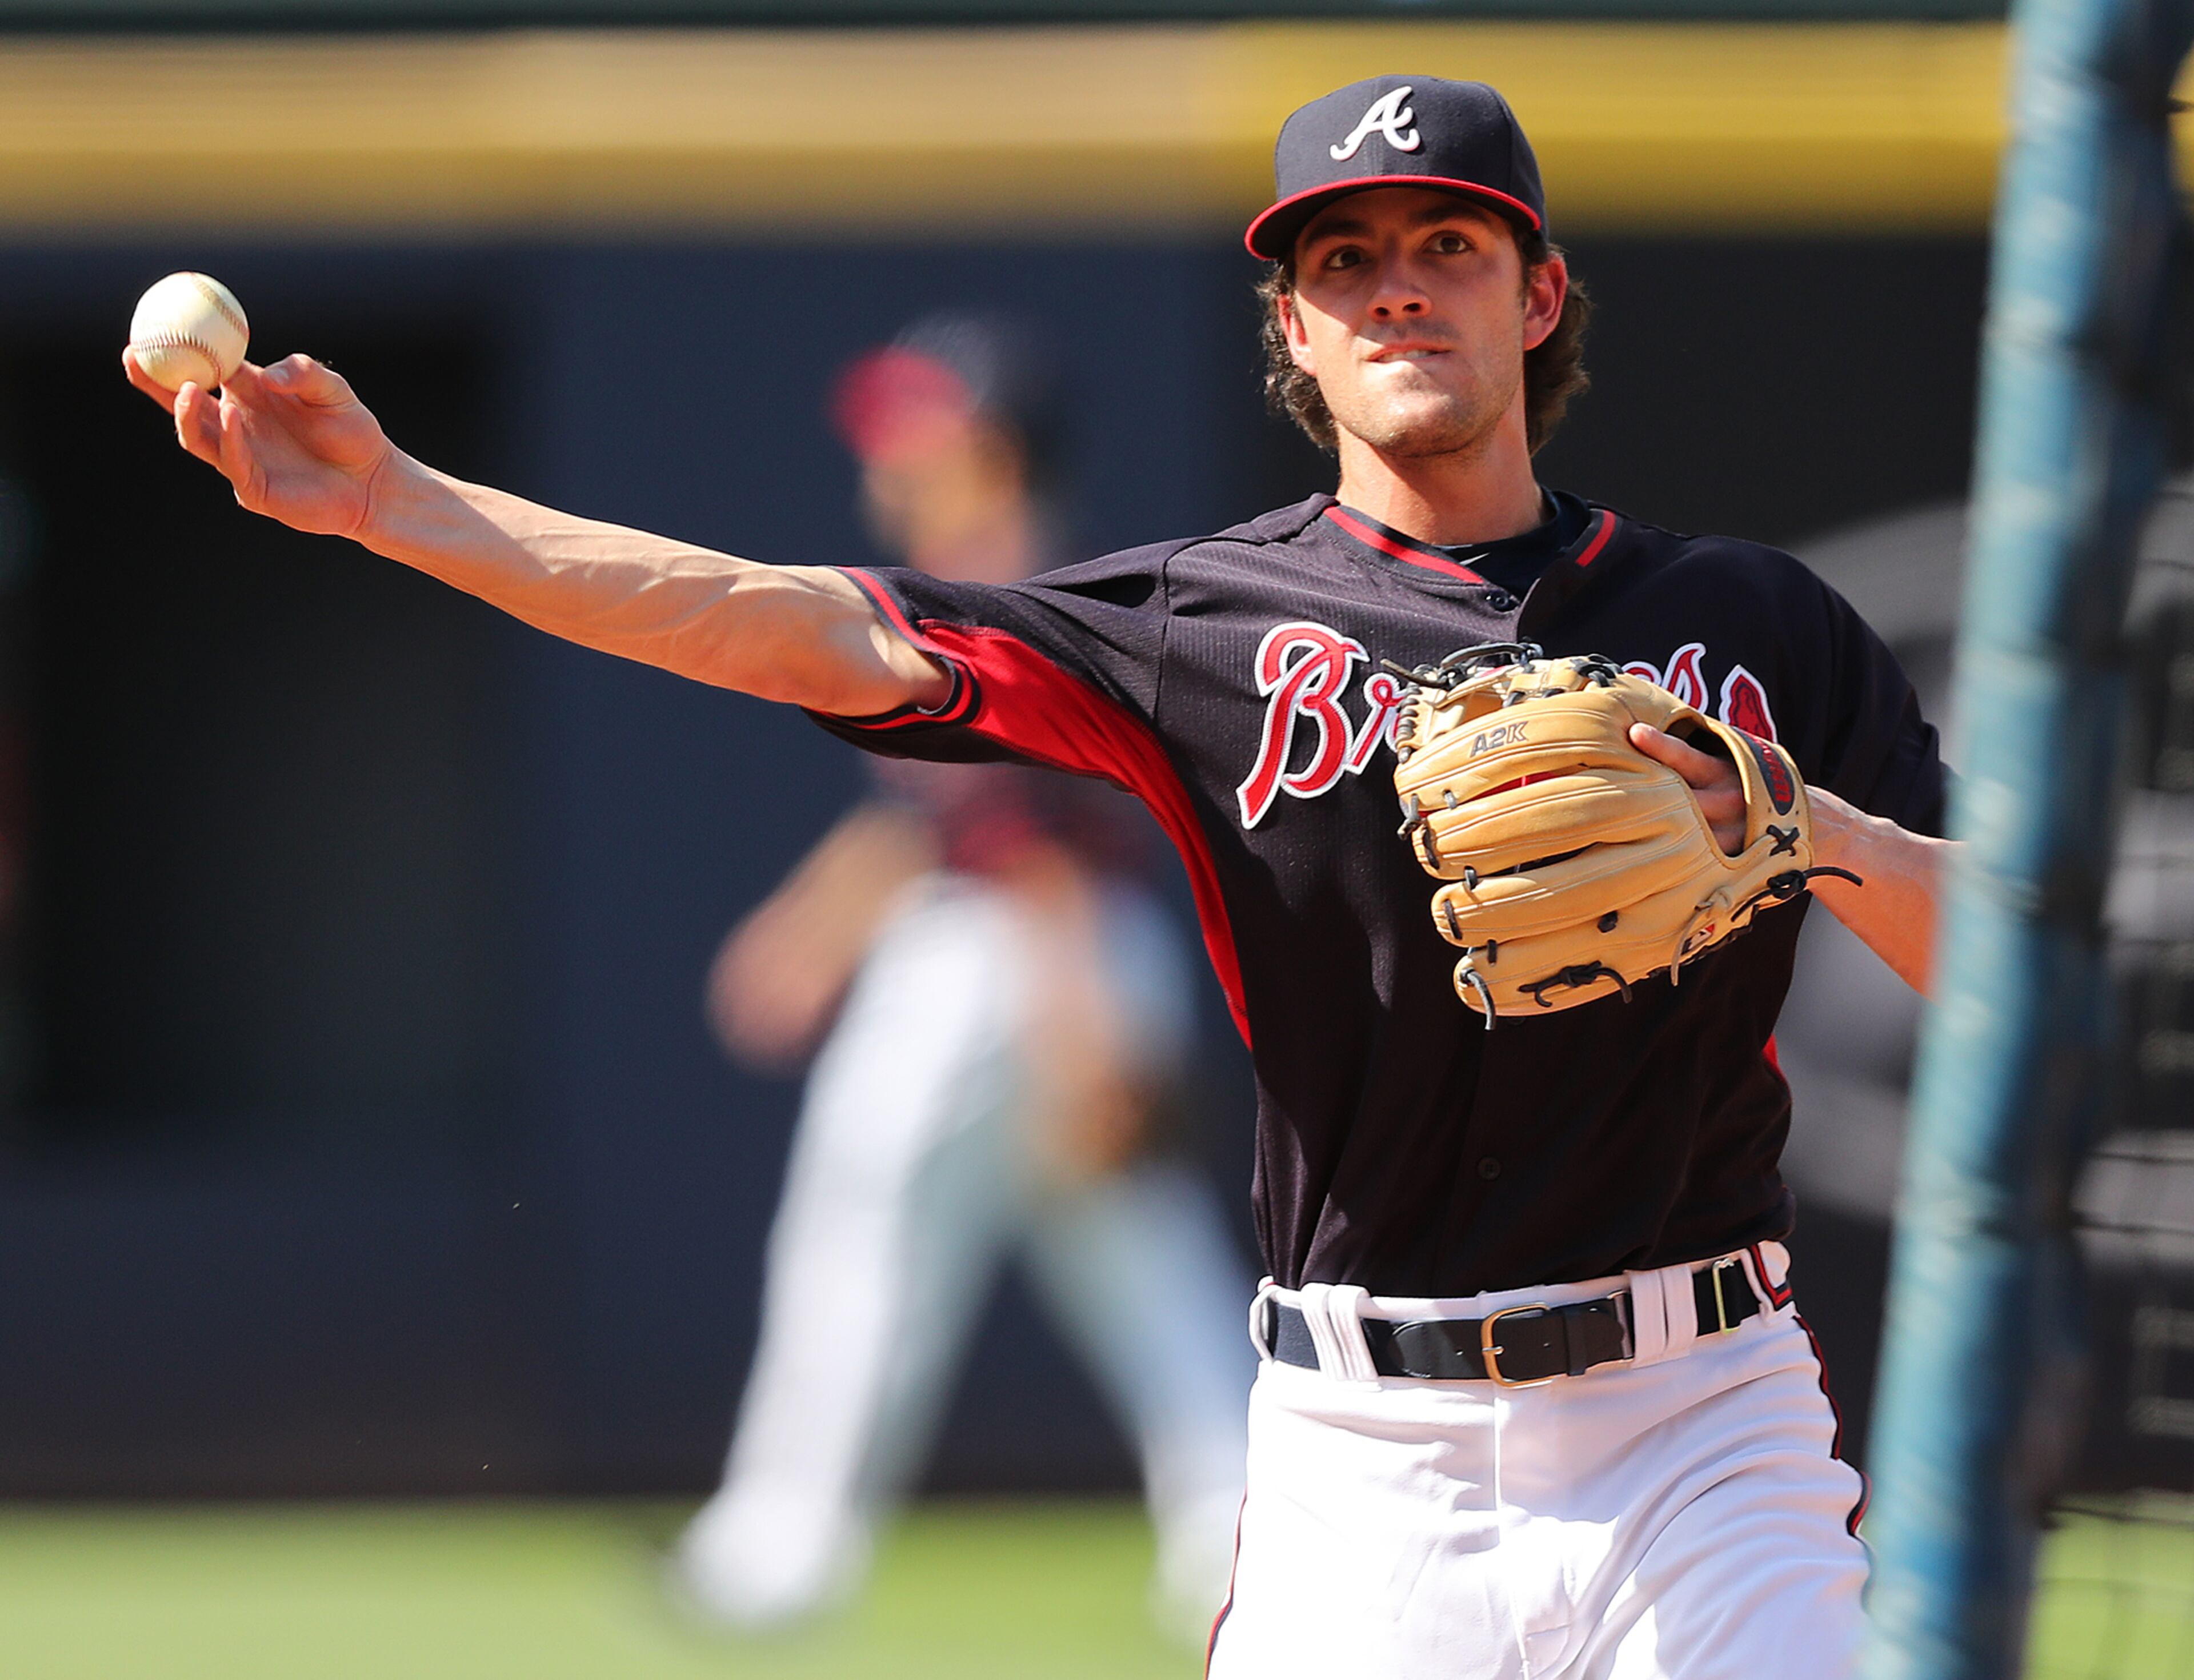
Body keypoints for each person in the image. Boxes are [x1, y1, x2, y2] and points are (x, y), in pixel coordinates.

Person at [127, 74, 1955, 1679]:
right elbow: (789, 628)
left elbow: (2009, 962)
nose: (1398, 279)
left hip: (1705, 1421)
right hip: (1365, 1454)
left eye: (1451, 241)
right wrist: (399, 504)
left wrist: (1819, 831)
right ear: (1293, 336)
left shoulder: (1751, 623)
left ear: (1538, 293)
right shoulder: (1197, 625)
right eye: (1342, 258)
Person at [672, 315, 1255, 1638]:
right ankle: (1240, 1533)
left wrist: (1076, 1025)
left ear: (982, 446)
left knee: (863, 1235)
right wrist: (818, 927)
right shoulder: (1044, 572)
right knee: (1144, 1261)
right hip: (1079, 950)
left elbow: (1024, 841)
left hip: (1018, 962)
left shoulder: (995, 574)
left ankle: (779, 1550)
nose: (885, 453)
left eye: (914, 426)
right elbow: (937, 814)